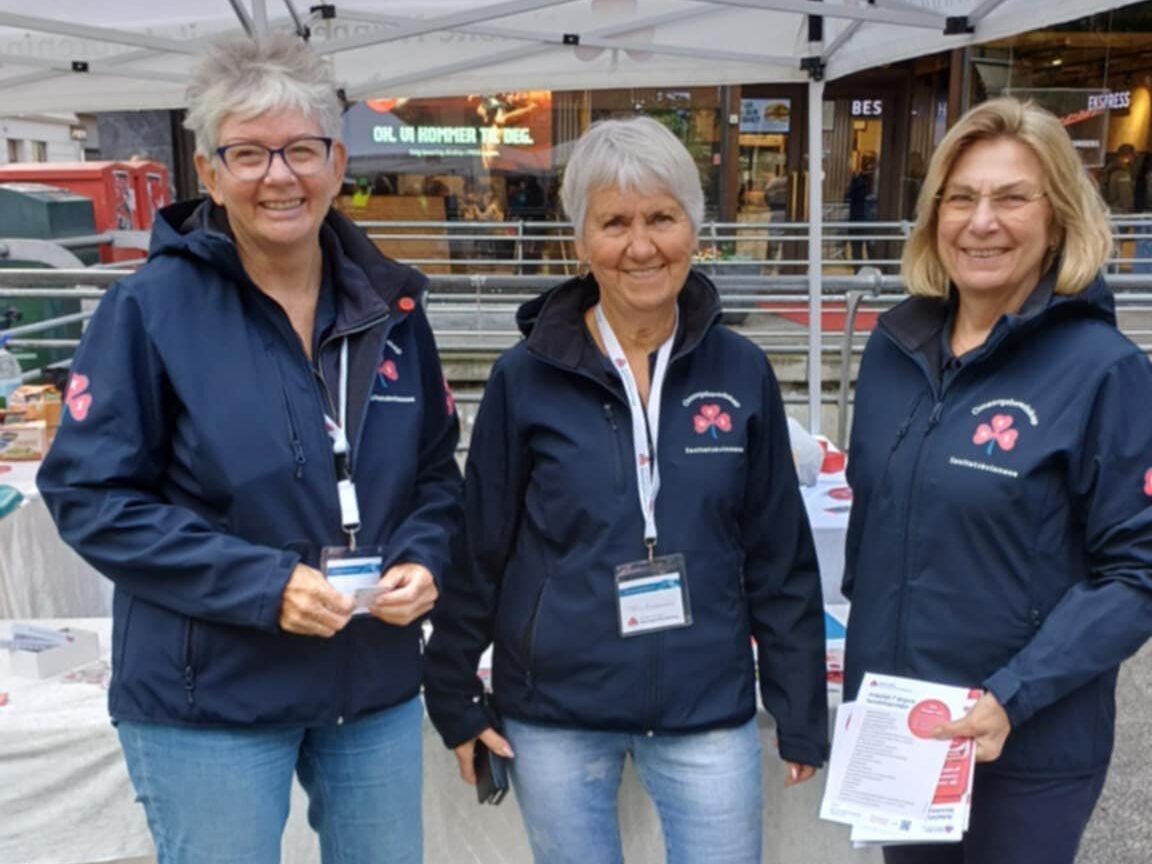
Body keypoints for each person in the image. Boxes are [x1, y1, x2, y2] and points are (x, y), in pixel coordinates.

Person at [37, 32, 462, 864]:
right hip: (211, 693)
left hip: (369, 676)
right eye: (250, 153)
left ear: (338, 164)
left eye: (301, 150)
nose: (279, 175)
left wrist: (424, 555)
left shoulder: (394, 311)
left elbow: (435, 474)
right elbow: (91, 499)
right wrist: (265, 586)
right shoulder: (149, 311)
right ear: (211, 170)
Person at [425, 115, 828, 864]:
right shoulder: (525, 379)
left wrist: (800, 707)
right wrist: (451, 691)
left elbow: (779, 552)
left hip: (704, 706)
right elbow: (478, 545)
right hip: (555, 712)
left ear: (693, 229)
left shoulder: (741, 372)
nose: (641, 245)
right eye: (614, 222)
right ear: (580, 241)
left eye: (661, 218)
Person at [843, 97, 1152, 864]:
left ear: (1059, 218)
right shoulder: (893, 350)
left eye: (1013, 197)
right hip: (907, 732)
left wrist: (1012, 694)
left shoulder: (1104, 371)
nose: (983, 222)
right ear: (934, 215)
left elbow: (1138, 572)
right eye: (962, 197)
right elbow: (877, 530)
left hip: (1029, 745)